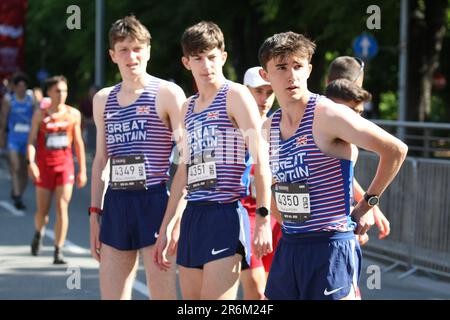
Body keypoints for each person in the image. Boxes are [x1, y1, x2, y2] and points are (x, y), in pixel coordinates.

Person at [258, 31, 408, 300]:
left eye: (297, 66)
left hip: (329, 248)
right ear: (265, 74)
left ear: (309, 70)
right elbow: (277, 184)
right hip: (290, 245)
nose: (291, 76)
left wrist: (367, 204)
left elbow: (395, 150)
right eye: (281, 67)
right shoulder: (269, 127)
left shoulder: (327, 114)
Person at [154, 21, 273, 300]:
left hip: (225, 214)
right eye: (198, 58)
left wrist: (263, 218)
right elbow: (184, 172)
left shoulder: (236, 95)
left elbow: (261, 160)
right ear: (186, 62)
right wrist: (166, 227)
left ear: (223, 57)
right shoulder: (187, 107)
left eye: (211, 57)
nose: (206, 65)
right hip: (194, 215)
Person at [89, 15, 186, 300]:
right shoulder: (103, 99)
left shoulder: (168, 93)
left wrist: (175, 219)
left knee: (163, 296)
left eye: (137, 48)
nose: (131, 56)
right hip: (116, 204)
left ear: (148, 51)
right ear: (112, 55)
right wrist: (95, 215)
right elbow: (100, 162)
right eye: (123, 49)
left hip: (154, 201)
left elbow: (188, 161)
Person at [327, 57, 391, 245]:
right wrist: (363, 209)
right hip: (328, 231)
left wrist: (370, 206)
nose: (356, 117)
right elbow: (397, 150)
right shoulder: (329, 122)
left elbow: (342, 174)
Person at [27, 75, 87, 264]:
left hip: (65, 167)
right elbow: (31, 142)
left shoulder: (73, 114)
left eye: (64, 91)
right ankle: (38, 233)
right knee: (42, 213)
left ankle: (58, 250)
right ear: (49, 93)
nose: (62, 95)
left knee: (62, 207)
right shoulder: (40, 115)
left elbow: (78, 143)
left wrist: (82, 170)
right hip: (44, 168)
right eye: (57, 91)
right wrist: (32, 163)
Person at [239, 66, 281, 300]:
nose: (264, 99)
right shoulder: (234, 127)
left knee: (272, 291)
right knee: (256, 289)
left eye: (269, 92)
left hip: (278, 216)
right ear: (246, 92)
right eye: (258, 92)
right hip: (246, 215)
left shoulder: (281, 127)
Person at [0, 73, 36, 210]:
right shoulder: (9, 100)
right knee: (15, 166)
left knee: (24, 171)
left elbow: (37, 117)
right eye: (19, 86)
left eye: (23, 86)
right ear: (14, 87)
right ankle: (17, 196)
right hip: (13, 139)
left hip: (28, 141)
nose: (21, 89)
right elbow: (3, 120)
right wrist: (2, 137)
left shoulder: (31, 99)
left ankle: (18, 192)